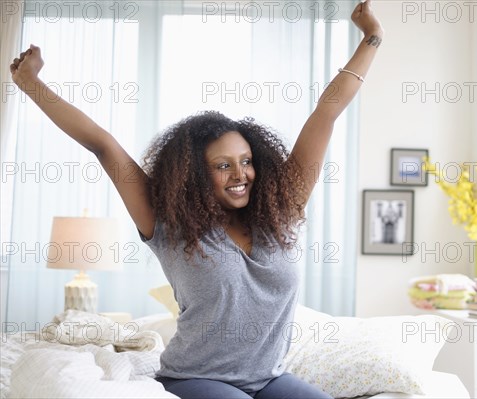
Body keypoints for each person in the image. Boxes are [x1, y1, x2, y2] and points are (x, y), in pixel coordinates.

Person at [10, 1, 383, 397]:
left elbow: (325, 114)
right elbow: (103, 145)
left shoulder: (282, 210)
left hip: (269, 379)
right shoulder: (167, 222)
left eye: (246, 161)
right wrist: (31, 83)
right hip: (196, 379)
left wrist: (371, 37)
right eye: (223, 166)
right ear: (194, 175)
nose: (240, 175)